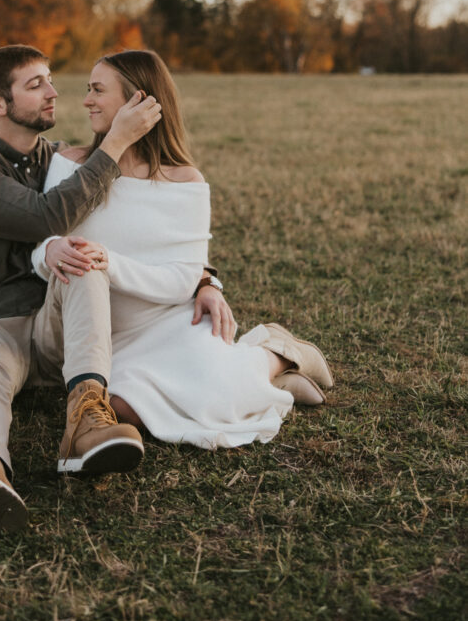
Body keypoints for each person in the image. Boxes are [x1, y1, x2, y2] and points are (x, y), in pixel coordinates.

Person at [0, 45, 230, 537]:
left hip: (56, 322)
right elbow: (47, 216)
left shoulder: (60, 158)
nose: (54, 92)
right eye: (35, 84)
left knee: (84, 257)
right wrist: (113, 144)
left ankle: (85, 424)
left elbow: (138, 227)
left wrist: (204, 279)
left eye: (51, 79)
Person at [30, 50, 333, 450]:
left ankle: (276, 353)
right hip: (91, 331)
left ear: (138, 101)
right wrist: (48, 251)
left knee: (218, 395)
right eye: (88, 89)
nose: (86, 100)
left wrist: (113, 264)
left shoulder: (184, 181)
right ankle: (265, 377)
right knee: (122, 407)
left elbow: (184, 278)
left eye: (98, 90)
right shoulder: (69, 164)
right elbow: (41, 239)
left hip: (166, 322)